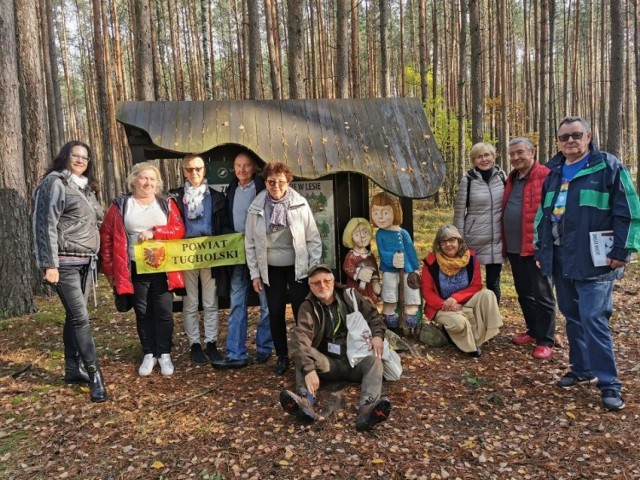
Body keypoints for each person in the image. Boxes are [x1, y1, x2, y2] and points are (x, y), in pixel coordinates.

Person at [535, 116, 640, 411]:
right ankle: (581, 370)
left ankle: (609, 383)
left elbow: (630, 212)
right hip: (560, 259)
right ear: (558, 141)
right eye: (564, 136)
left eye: (576, 135)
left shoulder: (608, 167)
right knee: (572, 315)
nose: (570, 141)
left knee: (594, 318)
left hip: (596, 260)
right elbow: (543, 216)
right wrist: (542, 252)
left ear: (589, 136)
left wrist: (623, 250)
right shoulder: (554, 172)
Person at [32, 141, 107, 403]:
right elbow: (45, 224)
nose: (80, 160)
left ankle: (71, 369)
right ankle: (95, 374)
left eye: (85, 157)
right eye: (75, 155)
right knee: (81, 318)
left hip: (86, 262)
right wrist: (48, 263)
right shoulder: (54, 183)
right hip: (64, 263)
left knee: (74, 316)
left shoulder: (85, 188)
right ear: (65, 156)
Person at [280, 264, 391, 431]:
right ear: (310, 286)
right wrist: (309, 370)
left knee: (374, 362)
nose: (322, 286)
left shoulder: (350, 296)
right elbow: (300, 340)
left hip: (355, 359)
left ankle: (367, 408)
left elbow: (374, 316)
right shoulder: (308, 307)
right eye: (316, 283)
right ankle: (305, 402)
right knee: (303, 353)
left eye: (326, 281)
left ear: (333, 281)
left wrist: (377, 336)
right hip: (328, 363)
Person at [100, 162, 185, 377]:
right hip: (133, 268)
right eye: (144, 178)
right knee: (143, 310)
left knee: (164, 310)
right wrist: (110, 272)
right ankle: (149, 353)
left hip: (163, 268)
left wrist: (155, 231)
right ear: (134, 180)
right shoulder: (121, 205)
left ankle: (164, 353)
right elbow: (107, 238)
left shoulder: (165, 203)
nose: (148, 183)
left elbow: (178, 229)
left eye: (152, 179)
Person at [244, 162, 322, 375]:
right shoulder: (256, 207)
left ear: (288, 181)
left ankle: (305, 355)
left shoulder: (300, 204)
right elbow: (250, 242)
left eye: (280, 182)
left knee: (302, 312)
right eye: (271, 182)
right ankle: (282, 356)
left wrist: (313, 270)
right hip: (270, 269)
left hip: (298, 268)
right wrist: (255, 274)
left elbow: (313, 239)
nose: (276, 186)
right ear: (265, 182)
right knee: (275, 311)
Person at [213, 151, 273, 369]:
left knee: (266, 304)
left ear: (254, 168)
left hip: (262, 255)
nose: (242, 170)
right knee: (237, 303)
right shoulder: (231, 189)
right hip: (239, 255)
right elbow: (227, 220)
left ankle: (264, 348)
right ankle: (235, 352)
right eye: (238, 166)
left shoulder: (264, 189)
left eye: (246, 166)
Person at [171, 154, 230, 365]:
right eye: (189, 169)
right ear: (183, 171)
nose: (194, 173)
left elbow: (223, 224)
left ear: (205, 169)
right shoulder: (176, 197)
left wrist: (230, 240)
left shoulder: (215, 197)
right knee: (190, 301)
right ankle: (194, 344)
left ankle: (211, 342)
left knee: (210, 301)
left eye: (198, 168)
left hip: (210, 253)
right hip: (184, 256)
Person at [502, 138, 556, 360]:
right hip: (515, 247)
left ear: (532, 152)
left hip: (537, 248)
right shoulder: (512, 179)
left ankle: (546, 339)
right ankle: (533, 330)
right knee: (524, 292)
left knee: (543, 294)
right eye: (512, 154)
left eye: (520, 153)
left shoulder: (546, 176)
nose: (516, 157)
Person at [420, 225, 502, 357]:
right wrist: (445, 304)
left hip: (464, 301)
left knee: (488, 294)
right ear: (438, 244)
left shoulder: (470, 258)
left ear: (459, 241)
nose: (448, 244)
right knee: (459, 323)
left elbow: (476, 285)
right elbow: (427, 291)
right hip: (441, 306)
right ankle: (470, 348)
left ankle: (479, 337)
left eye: (452, 240)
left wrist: (455, 298)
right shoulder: (431, 262)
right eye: (443, 241)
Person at [453, 142, 506, 303]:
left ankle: (493, 320)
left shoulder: (503, 177)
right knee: (469, 282)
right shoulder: (468, 180)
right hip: (473, 239)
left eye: (487, 155)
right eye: (479, 156)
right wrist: (459, 240)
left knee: (493, 284)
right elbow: (459, 212)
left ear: (493, 156)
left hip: (497, 240)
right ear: (473, 160)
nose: (484, 159)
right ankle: (470, 317)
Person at [370, 192, 420, 330]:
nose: (380, 217)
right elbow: (382, 252)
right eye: (376, 212)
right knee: (390, 292)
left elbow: (410, 251)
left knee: (411, 290)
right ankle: (389, 316)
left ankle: (411, 317)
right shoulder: (380, 234)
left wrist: (415, 268)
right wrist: (392, 260)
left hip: (407, 268)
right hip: (389, 269)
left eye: (385, 213)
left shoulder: (402, 232)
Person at [341, 217, 381, 304]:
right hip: (355, 286)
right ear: (350, 236)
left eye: (365, 232)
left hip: (369, 287)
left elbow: (375, 271)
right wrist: (358, 273)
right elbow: (347, 267)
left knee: (370, 304)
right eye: (357, 234)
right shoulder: (351, 255)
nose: (362, 236)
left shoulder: (370, 255)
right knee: (357, 304)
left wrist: (375, 282)